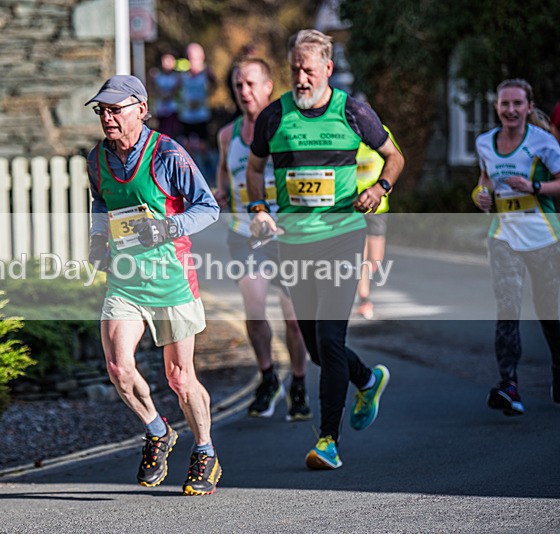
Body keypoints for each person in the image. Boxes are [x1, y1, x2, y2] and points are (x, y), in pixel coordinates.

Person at [246, 29, 405, 470]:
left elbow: (395, 156)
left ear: (327, 70)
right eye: (294, 68)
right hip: (294, 244)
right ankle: (368, 379)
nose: (300, 77)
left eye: (308, 69)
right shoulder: (274, 117)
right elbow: (254, 167)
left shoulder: (352, 112)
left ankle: (327, 442)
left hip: (342, 238)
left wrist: (380, 188)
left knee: (332, 340)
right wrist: (258, 207)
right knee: (316, 348)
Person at [85, 75, 223, 495]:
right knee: (118, 368)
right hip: (125, 281)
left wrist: (167, 227)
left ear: (141, 110)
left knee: (180, 378)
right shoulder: (96, 159)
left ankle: (205, 451)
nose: (107, 118)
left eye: (116, 109)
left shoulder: (167, 154)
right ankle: (158, 431)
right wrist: (96, 240)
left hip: (171, 279)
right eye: (102, 111)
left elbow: (209, 208)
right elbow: (102, 201)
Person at [214, 56, 312, 420]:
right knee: (254, 310)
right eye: (239, 84)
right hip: (244, 232)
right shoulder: (228, 134)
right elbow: (224, 170)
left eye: (251, 84)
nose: (244, 91)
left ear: (269, 86)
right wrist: (221, 193)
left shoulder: (286, 127)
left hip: (285, 234)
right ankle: (268, 377)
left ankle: (299, 383)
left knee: (293, 319)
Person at [472, 78, 560, 414]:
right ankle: (508, 385)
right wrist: (480, 196)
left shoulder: (543, 142)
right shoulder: (484, 143)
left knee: (548, 311)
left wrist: (534, 185)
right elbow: (484, 181)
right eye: (504, 104)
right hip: (503, 235)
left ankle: (558, 368)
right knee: (507, 307)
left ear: (527, 106)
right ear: (497, 107)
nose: (510, 110)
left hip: (543, 237)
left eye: (517, 104)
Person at [354, 125, 400, 320]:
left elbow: (395, 159)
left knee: (375, 260)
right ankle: (364, 299)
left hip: (378, 207)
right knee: (360, 258)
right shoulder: (346, 133)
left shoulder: (380, 132)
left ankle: (366, 288)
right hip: (355, 206)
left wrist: (384, 186)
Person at [179, 43, 216, 176]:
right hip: (187, 114)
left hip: (201, 114)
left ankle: (208, 168)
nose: (191, 61)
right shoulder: (182, 75)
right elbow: (174, 90)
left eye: (194, 57)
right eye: (189, 57)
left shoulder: (207, 73)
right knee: (185, 144)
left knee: (203, 145)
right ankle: (189, 172)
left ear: (201, 57)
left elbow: (215, 86)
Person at [148, 52, 181, 138]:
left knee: (170, 130)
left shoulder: (177, 76)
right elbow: (153, 89)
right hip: (160, 108)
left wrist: (168, 95)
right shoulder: (157, 75)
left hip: (171, 108)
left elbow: (177, 90)